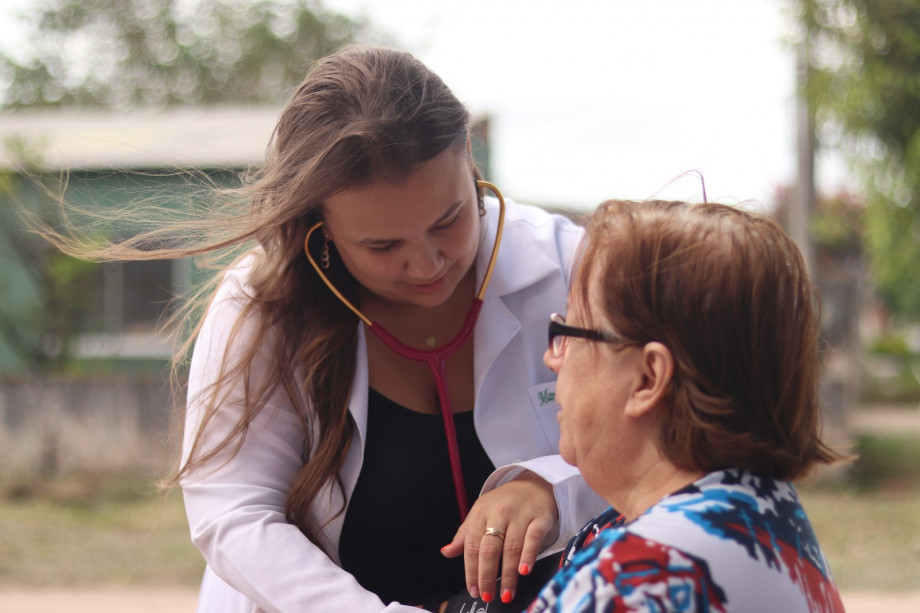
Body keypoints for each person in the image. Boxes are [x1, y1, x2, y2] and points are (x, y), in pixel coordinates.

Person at [165, 45, 606, 612]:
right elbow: (234, 514)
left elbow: (670, 438)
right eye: (382, 245)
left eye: (449, 220)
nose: (426, 265)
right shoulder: (260, 306)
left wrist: (550, 486)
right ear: (320, 228)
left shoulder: (573, 268)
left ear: (470, 158)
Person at [526, 199, 850, 612]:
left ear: (647, 378)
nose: (553, 358)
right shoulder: (772, 519)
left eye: (569, 330)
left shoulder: (641, 580)